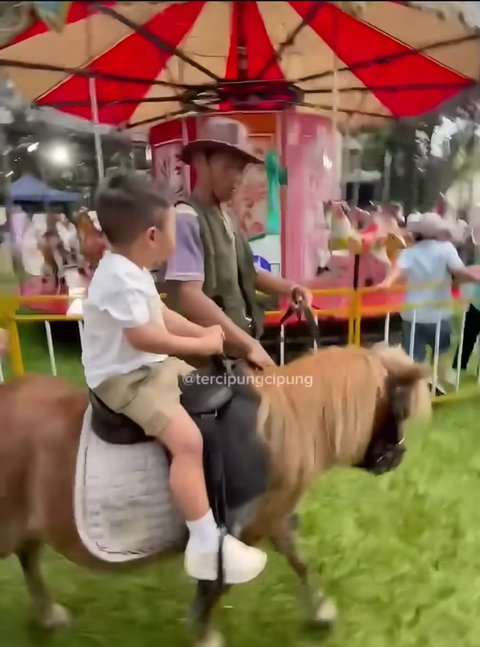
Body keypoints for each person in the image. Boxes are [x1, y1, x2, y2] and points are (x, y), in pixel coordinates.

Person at [81, 173, 267, 584]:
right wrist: (199, 346)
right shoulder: (117, 278)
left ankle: (234, 493)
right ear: (151, 236)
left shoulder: (133, 269)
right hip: (125, 379)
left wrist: (200, 333)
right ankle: (204, 542)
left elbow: (163, 315)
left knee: (222, 395)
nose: (177, 239)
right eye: (174, 230)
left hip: (151, 365)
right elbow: (143, 334)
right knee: (187, 441)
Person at [163, 117, 312, 367]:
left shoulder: (227, 217)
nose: (236, 178)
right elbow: (189, 295)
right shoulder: (185, 218)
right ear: (201, 161)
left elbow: (249, 273)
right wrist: (248, 345)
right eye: (228, 167)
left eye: (241, 169)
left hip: (235, 352)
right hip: (204, 361)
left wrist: (291, 288)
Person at [379, 212, 480, 390]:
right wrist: (476, 279)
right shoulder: (446, 249)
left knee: (412, 354)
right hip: (438, 312)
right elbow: (459, 271)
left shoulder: (409, 253)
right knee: (442, 349)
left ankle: (413, 388)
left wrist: (386, 283)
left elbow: (397, 272)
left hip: (413, 312)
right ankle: (437, 381)